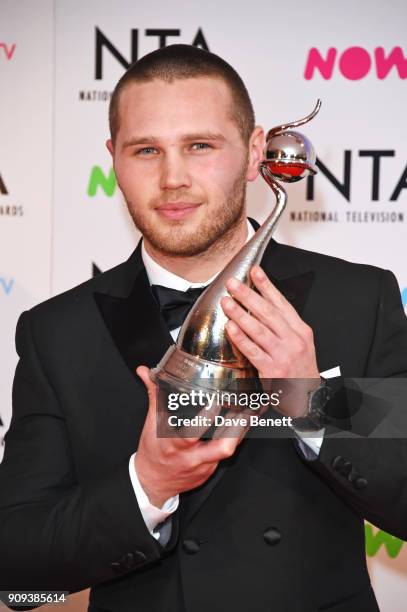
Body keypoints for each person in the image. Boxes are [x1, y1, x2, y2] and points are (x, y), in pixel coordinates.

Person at [0, 44, 406, 612]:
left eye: (200, 146)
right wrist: (146, 486)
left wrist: (311, 402)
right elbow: (16, 578)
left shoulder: (356, 301)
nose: (172, 178)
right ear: (113, 157)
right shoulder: (58, 333)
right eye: (146, 150)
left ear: (254, 150)